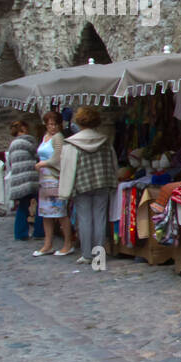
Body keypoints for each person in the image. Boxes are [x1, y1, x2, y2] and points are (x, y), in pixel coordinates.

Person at [58, 105, 119, 264]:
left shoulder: (72, 143)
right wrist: (115, 179)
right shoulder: (104, 140)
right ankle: (99, 253)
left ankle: (86, 254)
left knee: (84, 219)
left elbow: (67, 168)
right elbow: (113, 162)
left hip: (81, 184)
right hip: (102, 182)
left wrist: (65, 189)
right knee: (100, 218)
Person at [34, 111, 75, 256]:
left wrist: (42, 163)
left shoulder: (58, 138)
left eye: (55, 124)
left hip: (54, 178)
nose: (52, 127)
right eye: (50, 124)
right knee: (46, 213)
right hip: (44, 180)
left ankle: (68, 243)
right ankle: (48, 243)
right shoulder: (46, 137)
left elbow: (57, 158)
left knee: (60, 213)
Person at [6, 120, 44, 241]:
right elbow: (37, 155)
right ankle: (39, 231)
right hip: (30, 178)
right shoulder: (28, 142)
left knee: (22, 206)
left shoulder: (12, 145)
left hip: (19, 179)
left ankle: (20, 233)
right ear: (23, 129)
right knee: (40, 204)